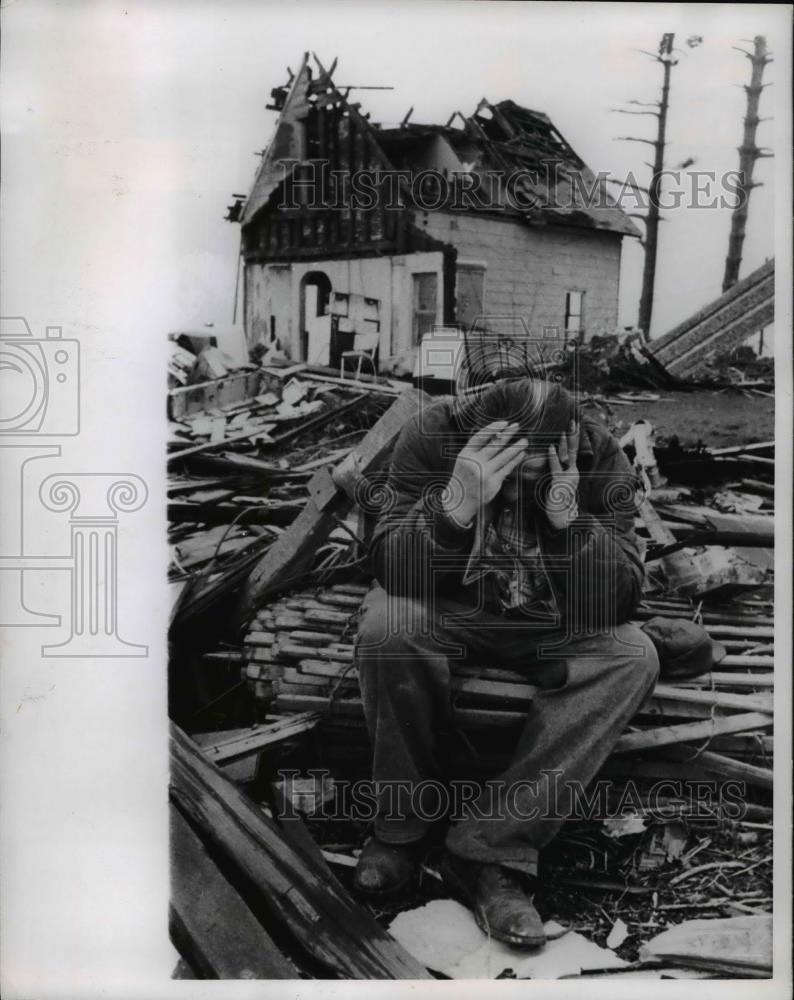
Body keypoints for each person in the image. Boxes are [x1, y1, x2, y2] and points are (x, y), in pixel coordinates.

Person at [352, 377, 659, 948]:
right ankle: (401, 827)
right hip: (450, 607)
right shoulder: (431, 435)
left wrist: (569, 519)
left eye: (534, 475)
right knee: (386, 626)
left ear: (570, 447)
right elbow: (391, 567)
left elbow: (620, 599)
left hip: (547, 620)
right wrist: (456, 503)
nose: (518, 494)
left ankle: (489, 848)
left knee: (632, 656)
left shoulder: (597, 455)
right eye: (508, 474)